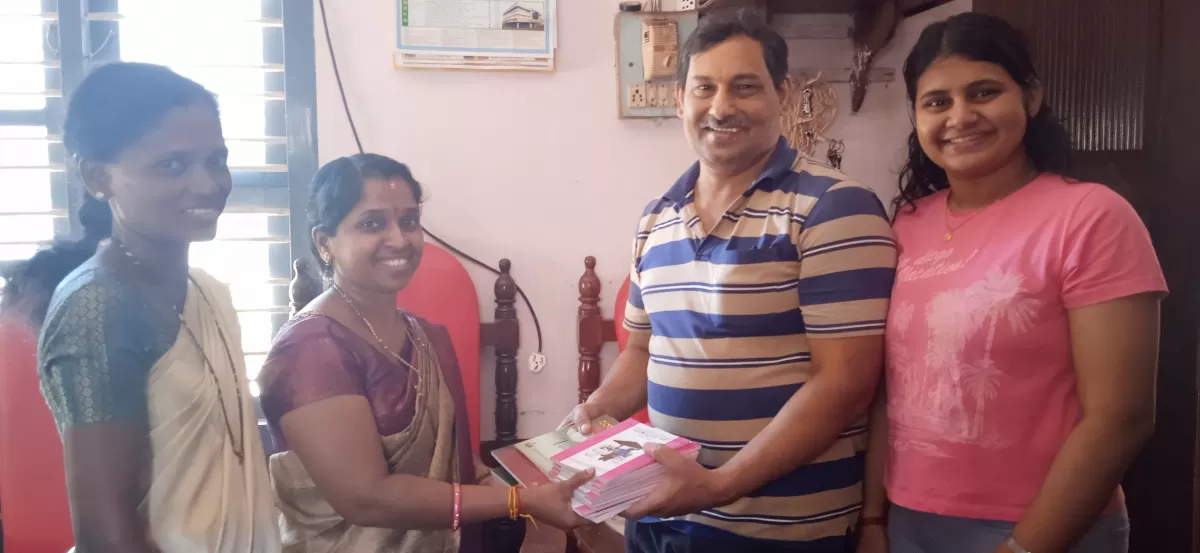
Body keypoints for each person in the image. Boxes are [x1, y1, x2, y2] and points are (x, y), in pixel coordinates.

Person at [561, 13, 898, 553]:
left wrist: (718, 486)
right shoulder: (656, 219)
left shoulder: (834, 207)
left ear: (781, 93)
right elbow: (644, 350)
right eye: (705, 88)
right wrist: (593, 413)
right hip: (659, 515)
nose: (721, 108)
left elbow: (845, 384)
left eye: (745, 88)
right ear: (680, 99)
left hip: (778, 531)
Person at [857, 13, 1165, 553]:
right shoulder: (906, 224)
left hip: (1049, 528)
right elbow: (890, 390)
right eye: (937, 102)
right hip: (910, 523)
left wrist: (1023, 547)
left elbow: (1122, 416)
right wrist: (874, 520)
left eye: (984, 92)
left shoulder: (1091, 217)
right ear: (916, 115)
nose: (961, 116)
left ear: (1031, 97)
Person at [0, 62, 279, 552]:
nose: (208, 183)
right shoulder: (97, 308)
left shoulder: (208, 291)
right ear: (97, 177)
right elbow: (107, 539)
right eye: (172, 164)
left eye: (216, 159)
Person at [258, 153, 593, 553]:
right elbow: (367, 498)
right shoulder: (308, 352)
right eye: (372, 223)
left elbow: (462, 466)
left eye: (409, 221)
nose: (399, 239)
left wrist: (538, 506)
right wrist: (520, 501)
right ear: (324, 241)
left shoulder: (426, 336)